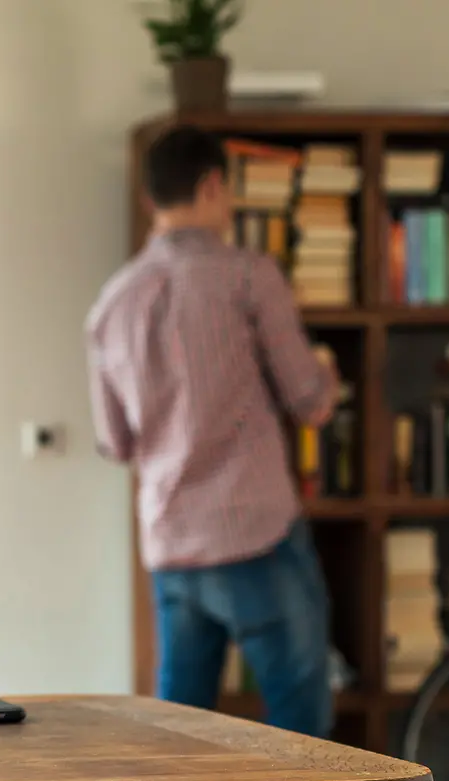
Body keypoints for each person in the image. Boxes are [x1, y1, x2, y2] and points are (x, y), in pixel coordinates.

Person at [85, 125, 340, 738]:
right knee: (300, 734)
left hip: (170, 543)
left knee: (180, 739)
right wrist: (328, 373)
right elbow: (310, 402)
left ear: (151, 200)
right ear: (211, 186)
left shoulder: (112, 303)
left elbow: (115, 443)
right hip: (255, 535)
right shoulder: (249, 276)